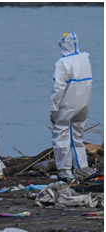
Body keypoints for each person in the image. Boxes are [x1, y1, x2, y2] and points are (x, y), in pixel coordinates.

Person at [51, 32, 94, 181]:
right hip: (84, 104)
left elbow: (58, 89)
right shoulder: (85, 58)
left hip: (67, 105)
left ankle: (65, 171)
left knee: (61, 136)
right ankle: (82, 167)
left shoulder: (62, 63)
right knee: (77, 136)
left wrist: (54, 109)